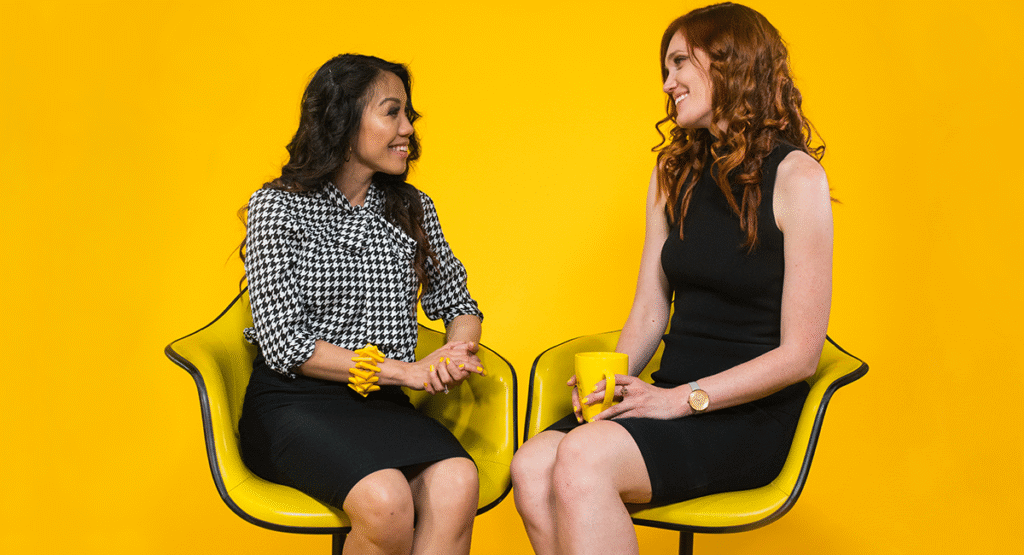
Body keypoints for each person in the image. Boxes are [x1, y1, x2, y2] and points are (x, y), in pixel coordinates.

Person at [510, 3, 833, 554]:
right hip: (670, 395)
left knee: (583, 459)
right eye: (666, 68)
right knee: (531, 463)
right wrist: (610, 381)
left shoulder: (798, 178)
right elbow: (648, 312)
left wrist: (682, 400)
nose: (668, 82)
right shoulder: (672, 172)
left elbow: (801, 355)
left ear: (731, 63)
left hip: (745, 413)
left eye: (681, 62)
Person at [236, 54, 485, 555]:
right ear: (344, 121)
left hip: (380, 407)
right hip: (294, 403)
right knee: (386, 498)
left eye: (409, 115)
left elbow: (459, 303)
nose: (408, 129)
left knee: (458, 481)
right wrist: (407, 371)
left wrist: (455, 354)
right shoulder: (276, 206)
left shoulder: (412, 208)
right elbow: (286, 344)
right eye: (392, 112)